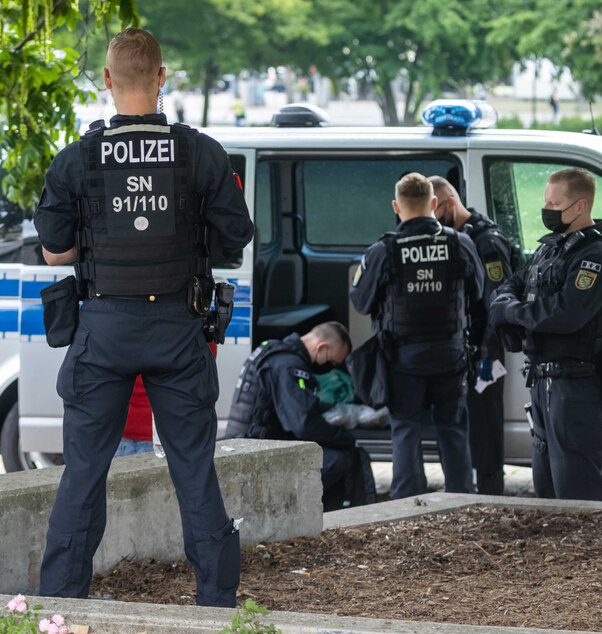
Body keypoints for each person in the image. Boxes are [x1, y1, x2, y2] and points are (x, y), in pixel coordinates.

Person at [32, 28, 254, 606]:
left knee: (83, 475)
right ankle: (218, 606)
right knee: (194, 475)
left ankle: (59, 606)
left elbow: (55, 251)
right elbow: (234, 240)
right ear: (162, 77)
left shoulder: (77, 159)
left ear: (107, 81)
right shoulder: (202, 152)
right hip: (179, 329)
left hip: (101, 329)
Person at [488, 168, 602, 502]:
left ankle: (592, 552)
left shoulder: (597, 255)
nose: (547, 209)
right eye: (546, 202)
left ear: (580, 206)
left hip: (576, 383)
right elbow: (514, 282)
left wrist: (508, 311)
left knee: (578, 486)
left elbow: (566, 314)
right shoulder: (553, 248)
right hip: (544, 381)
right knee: (547, 485)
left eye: (555, 203)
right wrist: (506, 300)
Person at [349, 173, 484, 499]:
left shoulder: (382, 250)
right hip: (451, 355)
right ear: (433, 204)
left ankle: (407, 507)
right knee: (452, 430)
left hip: (402, 359)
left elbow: (361, 301)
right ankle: (461, 501)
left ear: (397, 207)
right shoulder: (460, 243)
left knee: (406, 430)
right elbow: (478, 291)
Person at [224, 322, 376, 511]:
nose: (330, 367)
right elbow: (302, 424)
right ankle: (285, 509)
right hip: (254, 452)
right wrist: (343, 438)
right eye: (332, 362)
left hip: (246, 443)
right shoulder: (289, 365)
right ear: (321, 347)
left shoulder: (273, 351)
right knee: (339, 460)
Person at [428, 176, 516, 496]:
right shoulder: (454, 236)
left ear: (449, 203)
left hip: (485, 351)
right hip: (463, 348)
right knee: (461, 429)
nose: (434, 225)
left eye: (436, 216)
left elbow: (498, 303)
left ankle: (491, 499)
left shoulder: (486, 240)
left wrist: (486, 356)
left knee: (485, 430)